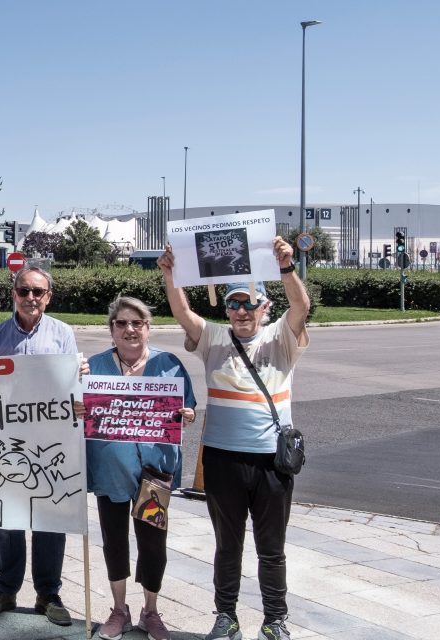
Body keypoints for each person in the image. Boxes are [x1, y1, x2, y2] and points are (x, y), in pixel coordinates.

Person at [157, 237, 310, 640]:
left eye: (249, 304)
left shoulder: (281, 339)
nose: (242, 312)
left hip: (270, 464)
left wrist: (286, 267)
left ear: (264, 307)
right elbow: (182, 312)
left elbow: (302, 308)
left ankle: (275, 619)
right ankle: (226, 616)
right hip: (222, 461)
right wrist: (170, 274)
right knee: (227, 546)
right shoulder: (214, 339)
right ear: (226, 310)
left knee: (271, 548)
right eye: (234, 305)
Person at [86, 296, 198, 640]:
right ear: (112, 330)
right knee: (114, 540)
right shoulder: (95, 366)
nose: (129, 329)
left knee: (152, 543)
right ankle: (119, 609)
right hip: (110, 468)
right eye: (121, 323)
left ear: (148, 328)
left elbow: (187, 406)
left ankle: (151, 609)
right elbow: (79, 407)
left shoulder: (168, 364)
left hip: (155, 471)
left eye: (137, 323)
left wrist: (187, 414)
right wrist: (78, 407)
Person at [0, 267, 78, 627]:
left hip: (49, 440)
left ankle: (48, 593)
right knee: (10, 517)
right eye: (24, 290)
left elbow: (73, 387)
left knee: (50, 517)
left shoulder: (63, 334)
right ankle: (6, 589)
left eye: (38, 291)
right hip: (7, 441)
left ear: (48, 296)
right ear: (13, 293)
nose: (30, 297)